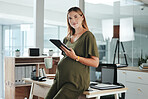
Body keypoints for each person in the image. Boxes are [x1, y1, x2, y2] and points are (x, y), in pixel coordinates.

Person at [45, 7, 99, 99]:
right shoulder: (67, 38)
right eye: (70, 18)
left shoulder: (88, 36)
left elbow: (95, 63)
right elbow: (68, 60)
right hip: (60, 79)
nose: (73, 20)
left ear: (82, 17)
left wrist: (76, 57)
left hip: (75, 82)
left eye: (76, 16)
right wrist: (56, 62)